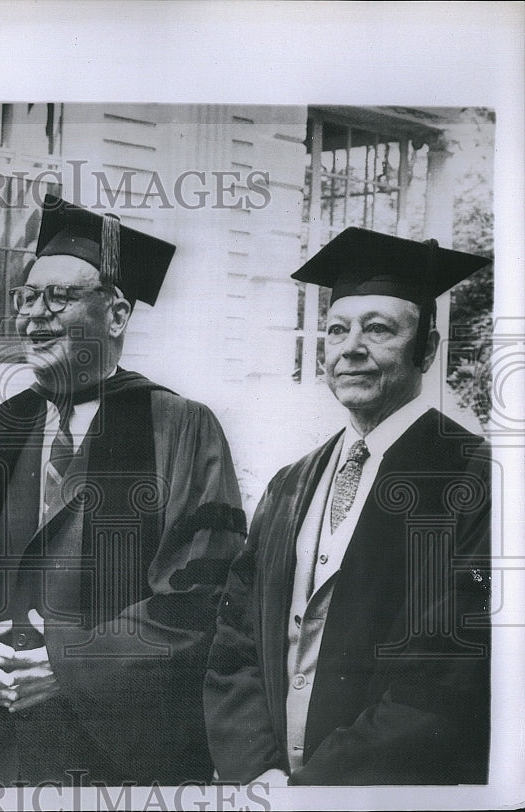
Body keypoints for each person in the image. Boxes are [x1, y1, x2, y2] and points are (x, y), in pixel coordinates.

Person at [0, 195, 246, 786]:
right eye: (26, 298)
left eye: (59, 297)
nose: (34, 316)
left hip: (114, 754)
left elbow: (202, 591)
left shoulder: (181, 426)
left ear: (116, 314)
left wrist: (72, 665)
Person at [204, 227, 492, 785]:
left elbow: (449, 675)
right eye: (337, 330)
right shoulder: (291, 483)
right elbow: (234, 641)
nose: (350, 347)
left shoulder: (474, 478)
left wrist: (314, 791)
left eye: (379, 329)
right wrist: (255, 771)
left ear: (427, 350)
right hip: (266, 786)